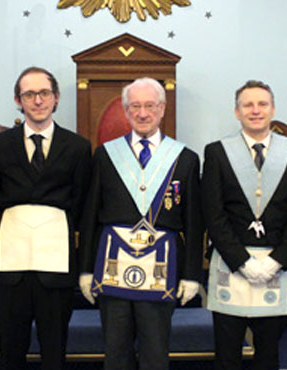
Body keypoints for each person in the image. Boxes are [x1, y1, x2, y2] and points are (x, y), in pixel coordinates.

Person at [78, 77, 203, 370]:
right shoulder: (106, 156)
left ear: (162, 109)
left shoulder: (185, 159)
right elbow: (90, 216)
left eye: (150, 106)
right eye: (135, 106)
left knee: (155, 352)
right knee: (116, 351)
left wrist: (192, 275)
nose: (143, 113)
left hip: (163, 266)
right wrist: (85, 269)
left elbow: (194, 222)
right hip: (112, 266)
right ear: (126, 110)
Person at [0, 66, 93, 370]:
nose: (38, 100)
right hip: (9, 266)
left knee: (54, 349)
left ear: (55, 98)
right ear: (18, 100)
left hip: (55, 266)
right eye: (29, 94)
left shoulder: (78, 148)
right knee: (11, 350)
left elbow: (82, 203)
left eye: (44, 93)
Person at [202, 80, 287, 370]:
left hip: (275, 264)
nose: (255, 110)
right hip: (231, 264)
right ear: (237, 112)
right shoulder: (216, 152)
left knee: (268, 354)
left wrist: (279, 260)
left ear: (272, 109)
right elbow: (213, 213)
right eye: (247, 105)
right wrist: (241, 261)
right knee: (227, 355)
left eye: (262, 104)